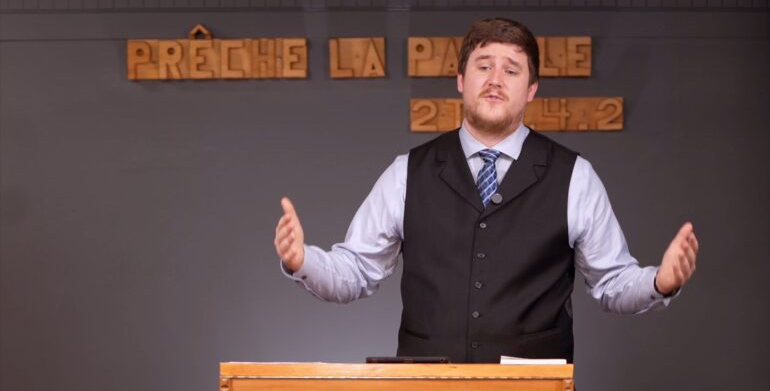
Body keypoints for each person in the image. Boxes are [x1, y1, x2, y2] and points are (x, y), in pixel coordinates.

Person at [274, 18, 698, 363]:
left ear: (531, 90)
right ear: (461, 79)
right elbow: (354, 270)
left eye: (511, 70)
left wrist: (659, 282)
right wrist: (301, 260)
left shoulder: (575, 177)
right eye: (483, 67)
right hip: (427, 383)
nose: (496, 79)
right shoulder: (407, 173)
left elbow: (613, 281)